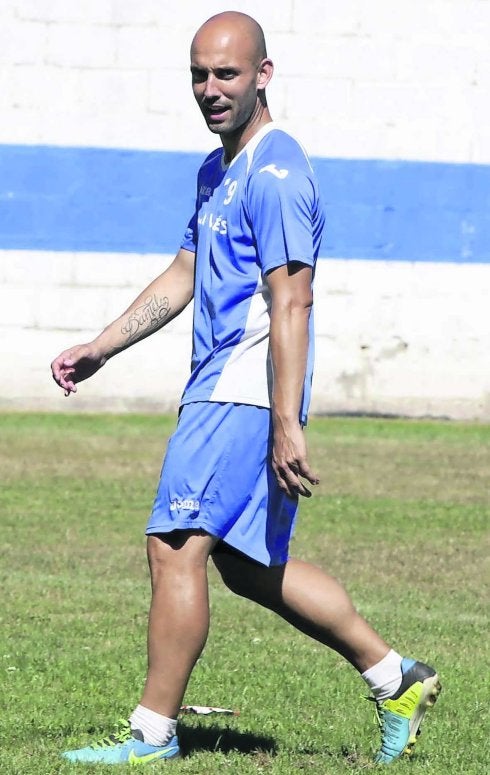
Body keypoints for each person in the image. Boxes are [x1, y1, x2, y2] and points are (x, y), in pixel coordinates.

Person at [51, 11, 440, 766]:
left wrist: (287, 421)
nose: (210, 88)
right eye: (199, 74)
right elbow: (186, 271)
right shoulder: (217, 170)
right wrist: (103, 346)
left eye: (226, 73)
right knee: (246, 564)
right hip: (228, 388)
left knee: (173, 547)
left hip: (241, 391)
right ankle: (396, 677)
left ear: (263, 74)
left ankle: (151, 734)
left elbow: (293, 299)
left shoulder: (277, 171)